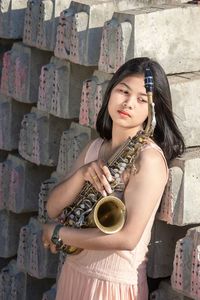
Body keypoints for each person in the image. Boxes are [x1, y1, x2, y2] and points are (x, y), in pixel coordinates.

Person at [42, 57, 185, 300]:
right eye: (123, 91)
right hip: (74, 275)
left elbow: (128, 238)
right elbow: (53, 207)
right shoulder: (96, 147)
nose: (128, 103)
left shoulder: (148, 159)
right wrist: (82, 174)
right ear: (111, 92)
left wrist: (59, 234)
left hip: (112, 287)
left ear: (153, 110)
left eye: (141, 99)